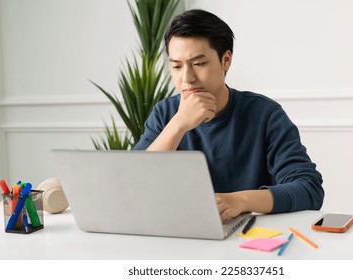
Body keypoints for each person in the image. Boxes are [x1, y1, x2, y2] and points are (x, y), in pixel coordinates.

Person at [134, 9, 324, 221]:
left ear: (226, 60)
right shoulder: (164, 113)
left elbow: (309, 189)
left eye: (198, 64)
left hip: (248, 239)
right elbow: (135, 187)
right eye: (176, 66)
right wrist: (177, 125)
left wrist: (240, 201)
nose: (186, 78)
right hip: (178, 236)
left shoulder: (265, 114)